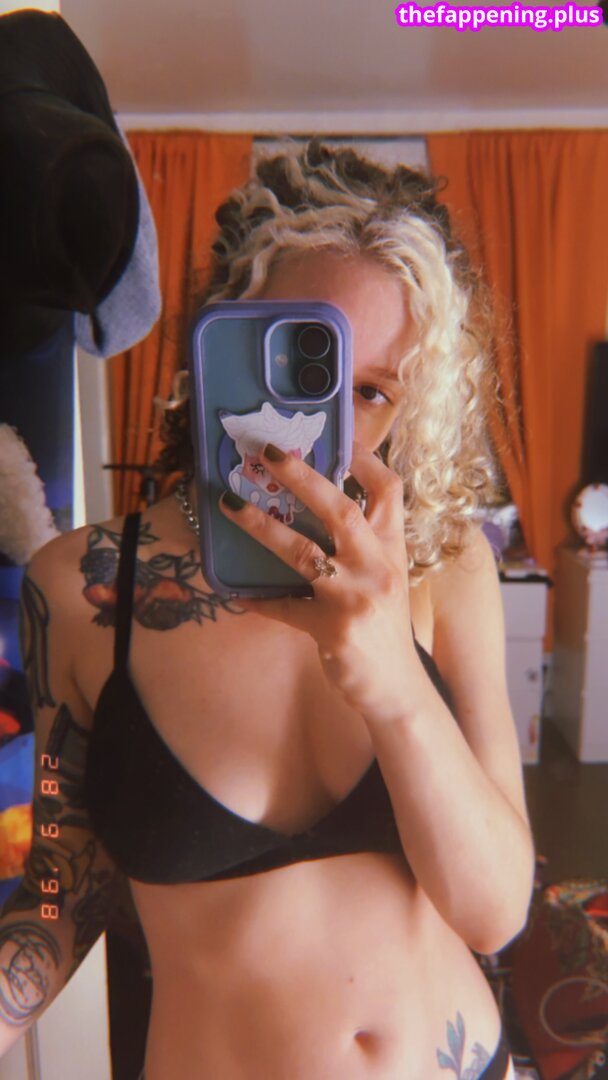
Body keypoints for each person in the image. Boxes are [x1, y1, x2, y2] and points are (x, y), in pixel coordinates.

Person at [0, 139, 535, 1079]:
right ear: (219, 346)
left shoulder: (448, 568)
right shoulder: (83, 591)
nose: (321, 424)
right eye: (299, 367)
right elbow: (61, 882)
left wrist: (394, 684)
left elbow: (495, 913)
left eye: (371, 390)